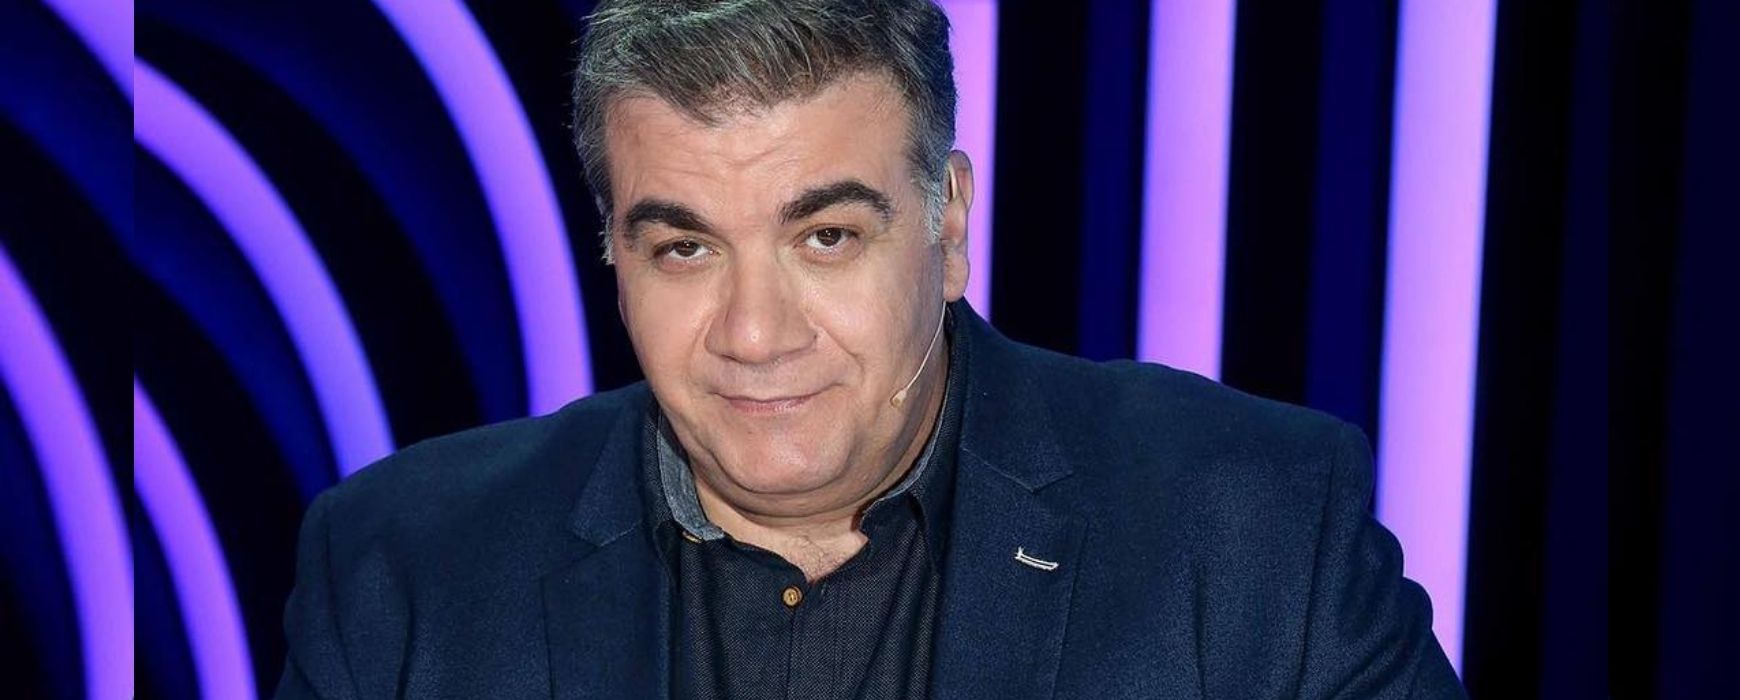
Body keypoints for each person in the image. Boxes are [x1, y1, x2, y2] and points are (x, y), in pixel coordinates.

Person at [275, 0, 1464, 697]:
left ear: (947, 227)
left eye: (827, 236)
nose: (754, 334)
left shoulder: (1257, 530)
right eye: (685, 249)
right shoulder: (399, 570)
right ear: (614, 255)